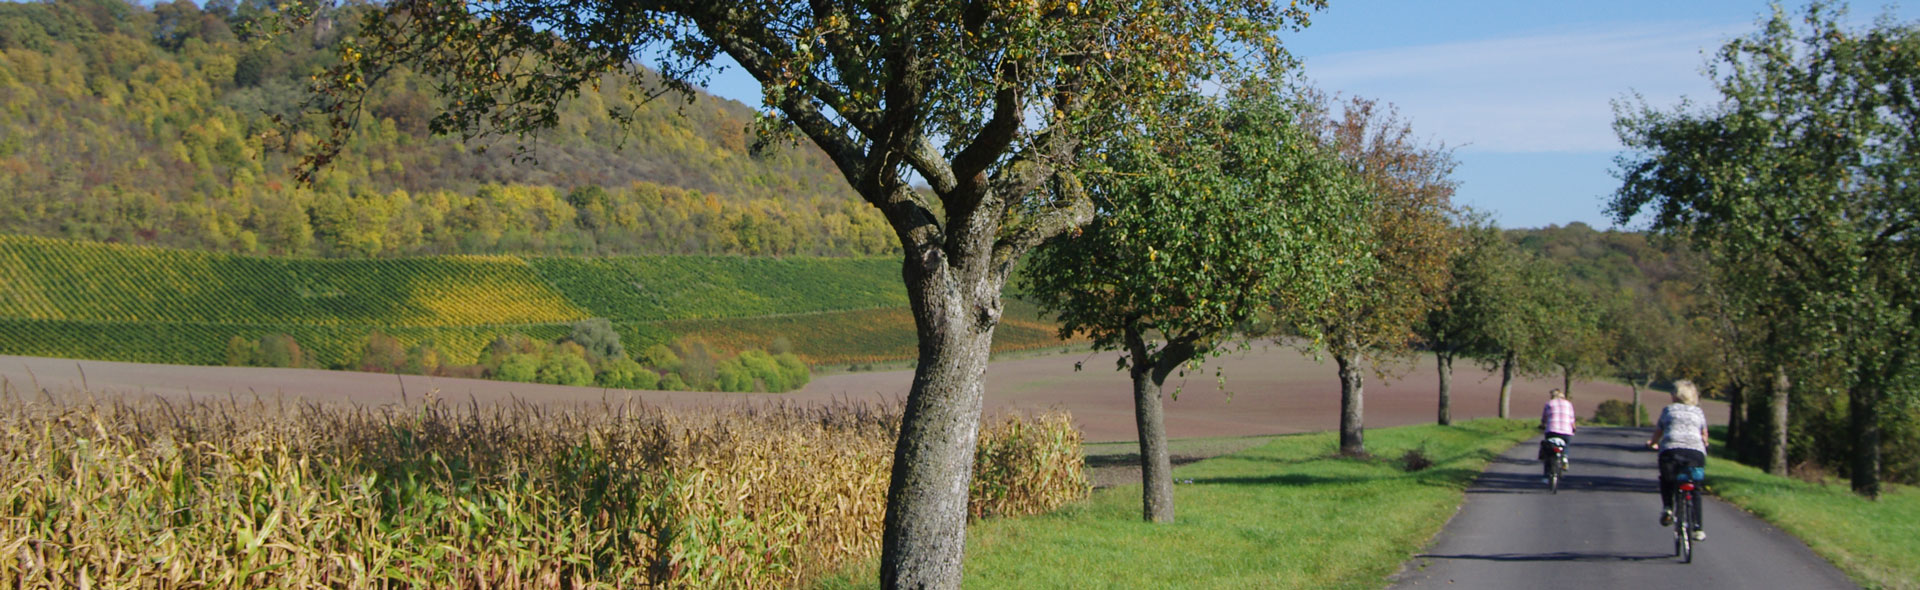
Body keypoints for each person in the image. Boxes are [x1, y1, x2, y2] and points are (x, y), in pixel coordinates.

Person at [1648, 380, 1709, 541]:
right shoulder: (1698, 412)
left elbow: (1659, 432)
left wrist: (1652, 443)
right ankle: (1698, 529)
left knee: (1666, 479)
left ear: (1675, 396)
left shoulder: (1668, 410)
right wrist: (1704, 445)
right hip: (1695, 453)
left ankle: (1668, 507)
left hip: (1671, 451)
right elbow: (1704, 435)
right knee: (1695, 488)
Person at [1539, 388, 1576, 481]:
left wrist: (1542, 425)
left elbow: (1544, 417)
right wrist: (1573, 428)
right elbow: (1572, 419)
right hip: (1566, 431)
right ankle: (1564, 457)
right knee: (1566, 445)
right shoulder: (1569, 404)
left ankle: (1546, 475)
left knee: (1548, 451)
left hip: (1552, 430)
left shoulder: (1549, 403)